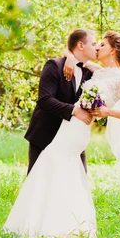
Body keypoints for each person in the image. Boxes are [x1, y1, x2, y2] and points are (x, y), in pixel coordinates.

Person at [3, 30, 120, 238]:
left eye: (102, 45)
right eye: (96, 44)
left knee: (65, 169)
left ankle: (63, 226)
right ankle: (39, 224)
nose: (97, 48)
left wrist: (109, 112)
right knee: (51, 167)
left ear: (114, 50)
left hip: (80, 129)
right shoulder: (95, 70)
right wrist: (70, 57)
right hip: (68, 126)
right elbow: (71, 52)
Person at [23, 28, 97, 175]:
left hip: (74, 138)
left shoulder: (92, 73)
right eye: (94, 44)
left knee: (77, 183)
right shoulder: (54, 66)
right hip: (46, 134)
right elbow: (44, 100)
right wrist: (74, 110)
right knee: (37, 182)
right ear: (81, 45)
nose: (96, 48)